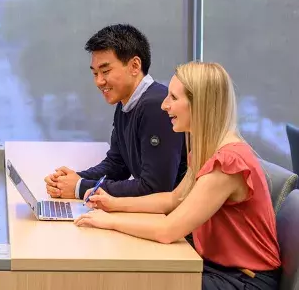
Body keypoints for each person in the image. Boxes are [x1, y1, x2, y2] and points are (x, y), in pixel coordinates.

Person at [75, 62, 281, 290]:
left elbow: (167, 231)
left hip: (244, 280)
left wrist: (109, 221)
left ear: (200, 105)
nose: (164, 105)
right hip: (220, 268)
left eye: (173, 97)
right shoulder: (208, 151)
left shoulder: (226, 164)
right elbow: (174, 199)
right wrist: (114, 204)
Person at [45, 24, 187, 200]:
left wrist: (80, 188)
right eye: (95, 73)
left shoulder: (155, 106)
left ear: (135, 66)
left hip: (179, 222)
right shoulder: (126, 103)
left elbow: (155, 187)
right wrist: (74, 179)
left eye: (105, 71)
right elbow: (117, 165)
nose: (99, 81)